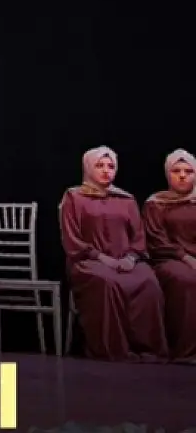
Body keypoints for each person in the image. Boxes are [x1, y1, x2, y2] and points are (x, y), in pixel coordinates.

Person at [61, 146, 168, 361]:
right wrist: (102, 258)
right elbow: (72, 238)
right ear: (88, 167)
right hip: (88, 261)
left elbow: (138, 236)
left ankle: (147, 349)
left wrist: (131, 258)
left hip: (126, 261)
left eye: (110, 166)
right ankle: (114, 349)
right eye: (99, 166)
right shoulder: (74, 197)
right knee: (107, 283)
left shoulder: (126, 199)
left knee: (149, 282)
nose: (105, 170)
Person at [144, 149, 196, 362]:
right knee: (187, 280)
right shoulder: (156, 203)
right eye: (176, 171)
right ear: (168, 173)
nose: (182, 175)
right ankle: (186, 351)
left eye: (188, 171)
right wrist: (186, 258)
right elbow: (156, 239)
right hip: (168, 260)